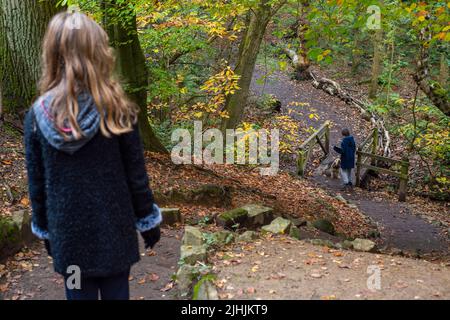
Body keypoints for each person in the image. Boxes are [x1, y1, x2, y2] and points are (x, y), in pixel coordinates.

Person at [24, 11, 162, 300]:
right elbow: (136, 177)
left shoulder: (38, 117)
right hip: (115, 241)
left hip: (70, 243)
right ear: (99, 53)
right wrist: (148, 221)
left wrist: (46, 231)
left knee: (77, 294)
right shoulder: (119, 111)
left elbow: (37, 185)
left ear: (52, 54)